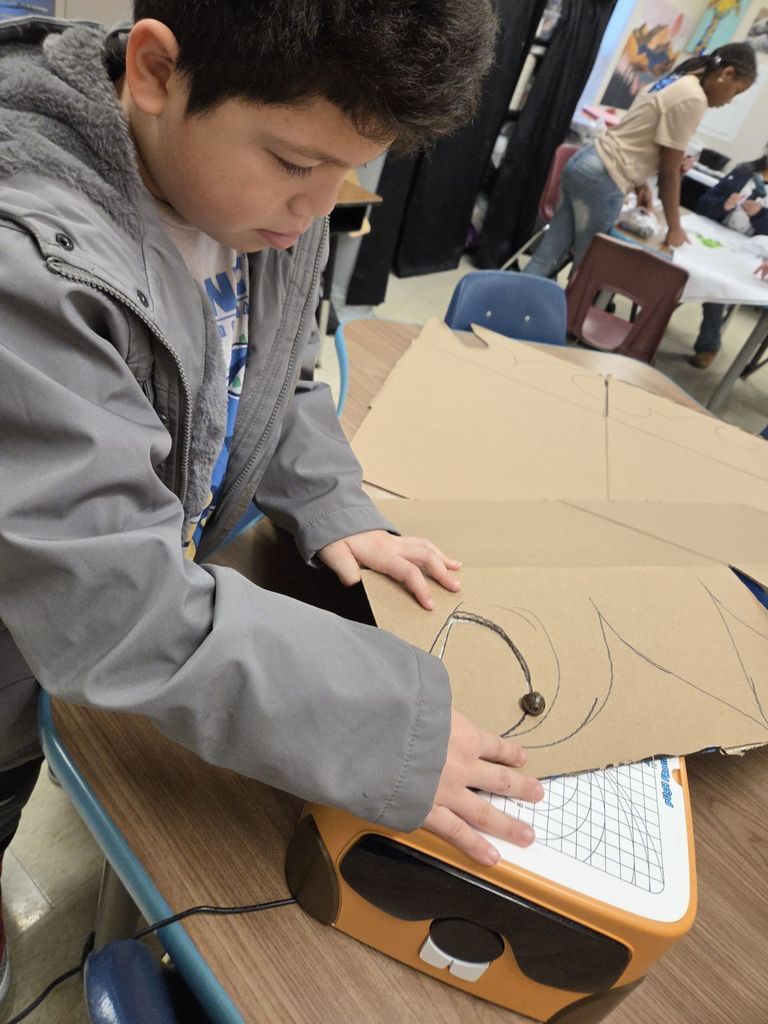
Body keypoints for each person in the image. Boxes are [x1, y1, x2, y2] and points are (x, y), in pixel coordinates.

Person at [0, 3, 545, 1000]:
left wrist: (338, 505)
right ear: (157, 71)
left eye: (347, 172)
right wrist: (390, 729)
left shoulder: (245, 193)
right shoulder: (26, 262)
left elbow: (276, 370)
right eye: (297, 163)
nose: (315, 210)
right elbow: (113, 605)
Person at [523, 43, 756, 279]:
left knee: (547, 256)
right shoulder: (694, 98)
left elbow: (639, 137)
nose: (730, 100)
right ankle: (565, 315)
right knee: (588, 272)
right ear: (726, 74)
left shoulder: (678, 79)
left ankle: (508, 310)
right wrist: (674, 228)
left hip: (586, 162)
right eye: (736, 91)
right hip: (604, 177)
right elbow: (669, 172)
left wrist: (638, 182)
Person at [690, 148, 768, 368]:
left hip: (752, 252)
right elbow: (704, 203)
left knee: (719, 288)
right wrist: (724, 205)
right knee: (679, 268)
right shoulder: (743, 172)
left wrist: (760, 216)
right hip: (715, 237)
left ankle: (709, 344)